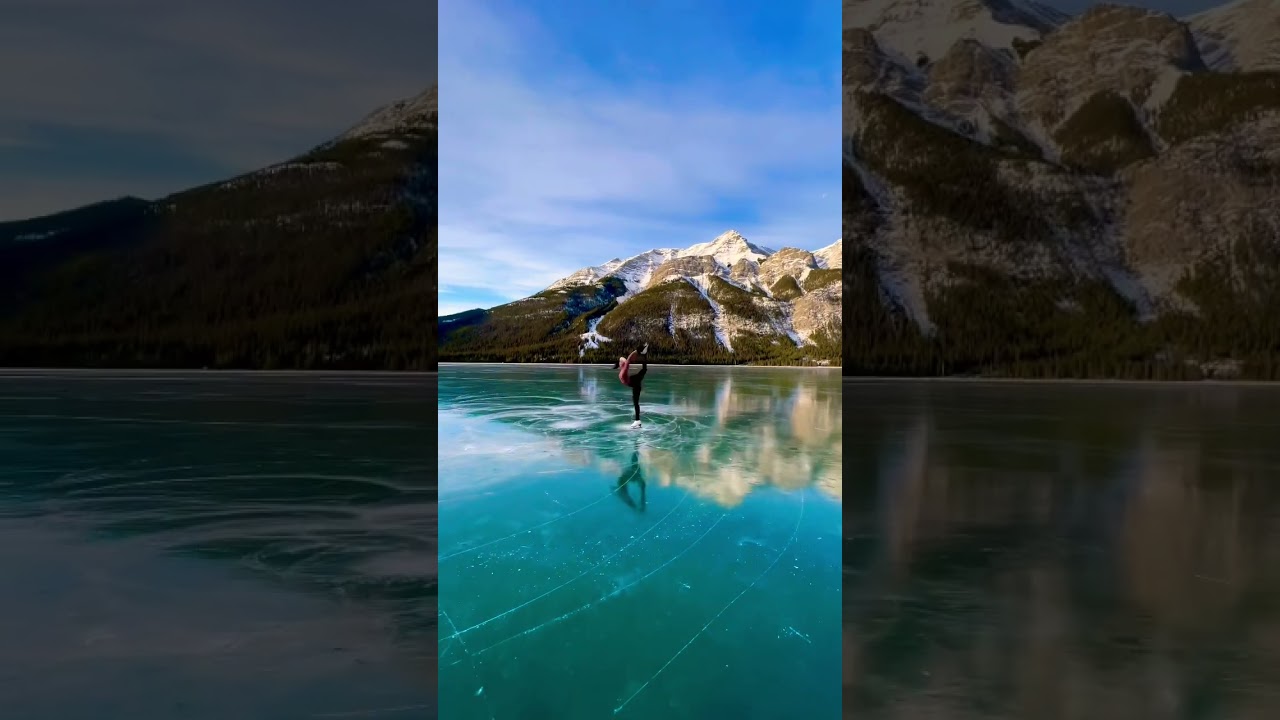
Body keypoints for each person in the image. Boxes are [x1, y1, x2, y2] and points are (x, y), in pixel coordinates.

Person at [612, 343, 649, 428]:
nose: (620, 363)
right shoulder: (622, 369)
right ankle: (644, 353)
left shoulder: (624, 370)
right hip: (634, 381)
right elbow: (621, 361)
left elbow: (628, 359)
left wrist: (636, 351)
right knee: (644, 370)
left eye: (620, 363)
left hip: (634, 382)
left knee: (636, 402)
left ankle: (637, 421)